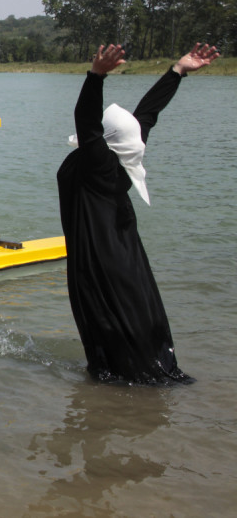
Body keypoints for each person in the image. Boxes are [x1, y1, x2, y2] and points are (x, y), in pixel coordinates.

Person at [57, 42, 219, 384]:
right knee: (134, 308)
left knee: (102, 312)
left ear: (105, 136)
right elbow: (148, 114)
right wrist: (177, 71)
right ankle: (149, 371)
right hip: (125, 247)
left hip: (99, 253)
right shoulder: (128, 151)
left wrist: (96, 76)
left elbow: (86, 119)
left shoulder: (98, 160)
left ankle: (120, 377)